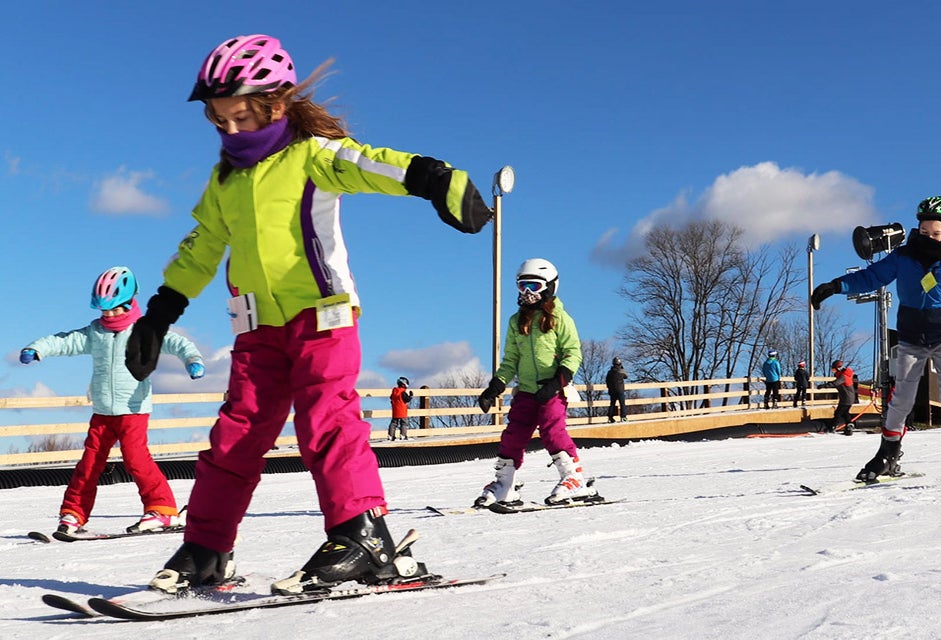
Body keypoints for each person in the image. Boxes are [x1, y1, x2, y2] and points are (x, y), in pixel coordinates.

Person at [125, 34, 492, 595]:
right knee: (235, 436)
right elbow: (201, 246)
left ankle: (363, 536)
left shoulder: (313, 155)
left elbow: (374, 164)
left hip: (324, 317)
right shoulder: (225, 181)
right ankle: (206, 546)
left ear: (277, 104)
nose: (230, 132)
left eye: (241, 117)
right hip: (255, 328)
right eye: (218, 121)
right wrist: (159, 312)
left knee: (326, 421)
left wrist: (437, 178)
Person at [20, 266, 204, 535]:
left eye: (116, 309)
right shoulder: (95, 333)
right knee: (90, 463)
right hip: (103, 411)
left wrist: (193, 361)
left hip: (133, 410)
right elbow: (64, 341)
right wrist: (37, 348)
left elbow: (178, 343)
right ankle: (73, 515)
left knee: (136, 460)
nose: (110, 316)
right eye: (104, 310)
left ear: (130, 303)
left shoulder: (145, 330)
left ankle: (162, 510)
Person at [811, 196, 941, 479]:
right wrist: (836, 285)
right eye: (924, 232)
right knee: (901, 400)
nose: (929, 237)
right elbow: (871, 277)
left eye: (936, 233)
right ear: (917, 229)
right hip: (911, 337)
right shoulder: (904, 256)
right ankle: (887, 455)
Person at [475, 258, 597, 507]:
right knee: (513, 435)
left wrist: (557, 381)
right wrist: (495, 386)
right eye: (522, 286)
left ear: (550, 287)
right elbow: (511, 360)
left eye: (533, 285)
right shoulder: (516, 321)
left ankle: (574, 479)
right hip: (527, 391)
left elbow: (573, 353)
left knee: (552, 432)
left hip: (551, 389)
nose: (527, 293)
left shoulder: (560, 318)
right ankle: (505, 485)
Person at [817, 360, 855, 434]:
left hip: (847, 398)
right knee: (845, 412)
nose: (834, 372)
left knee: (838, 413)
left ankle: (833, 427)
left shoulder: (843, 377)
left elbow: (835, 383)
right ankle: (849, 425)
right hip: (847, 398)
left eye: (834, 370)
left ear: (839, 368)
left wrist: (824, 386)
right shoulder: (843, 375)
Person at [388, 377, 414, 441]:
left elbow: (391, 397)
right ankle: (403, 435)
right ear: (404, 384)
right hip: (402, 411)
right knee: (404, 423)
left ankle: (391, 435)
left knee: (393, 423)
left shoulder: (394, 391)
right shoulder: (403, 392)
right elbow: (406, 399)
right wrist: (411, 396)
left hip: (395, 410)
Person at [605, 357, 628, 423]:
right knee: (622, 404)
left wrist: (609, 388)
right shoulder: (621, 371)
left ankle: (610, 417)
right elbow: (626, 376)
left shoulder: (610, 372)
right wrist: (622, 368)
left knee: (612, 404)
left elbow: (607, 380)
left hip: (612, 390)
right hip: (620, 390)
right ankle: (623, 417)